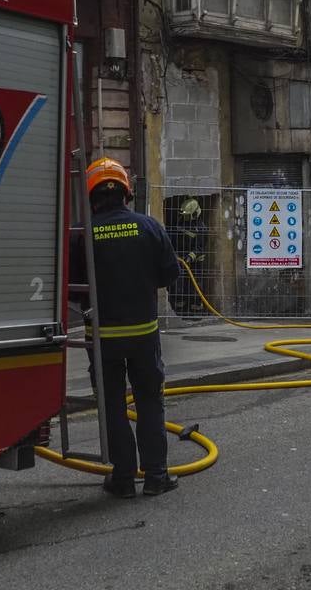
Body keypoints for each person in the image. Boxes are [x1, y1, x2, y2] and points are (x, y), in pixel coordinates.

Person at [70, 157, 181, 498]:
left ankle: (122, 479)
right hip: (143, 335)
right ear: (126, 192)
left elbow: (72, 286)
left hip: (102, 340)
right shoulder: (149, 227)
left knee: (112, 407)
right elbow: (169, 275)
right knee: (149, 402)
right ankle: (156, 476)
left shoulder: (82, 236)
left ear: (91, 195)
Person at [167, 197, 208, 317]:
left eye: (188, 216)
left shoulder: (201, 228)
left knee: (194, 286)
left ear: (195, 213)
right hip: (179, 259)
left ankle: (196, 310)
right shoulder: (179, 221)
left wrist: (190, 257)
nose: (185, 218)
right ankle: (180, 309)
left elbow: (200, 247)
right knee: (178, 285)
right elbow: (173, 237)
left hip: (195, 262)